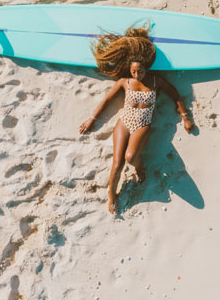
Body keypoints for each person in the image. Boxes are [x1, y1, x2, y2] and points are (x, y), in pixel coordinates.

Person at [78, 25, 194, 214]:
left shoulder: (156, 81)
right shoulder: (125, 82)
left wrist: (185, 117)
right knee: (117, 164)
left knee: (131, 157)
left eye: (140, 71)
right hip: (124, 123)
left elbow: (175, 95)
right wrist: (92, 119)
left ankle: (139, 167)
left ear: (146, 68)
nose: (137, 75)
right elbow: (107, 100)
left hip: (142, 125)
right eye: (133, 71)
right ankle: (112, 196)